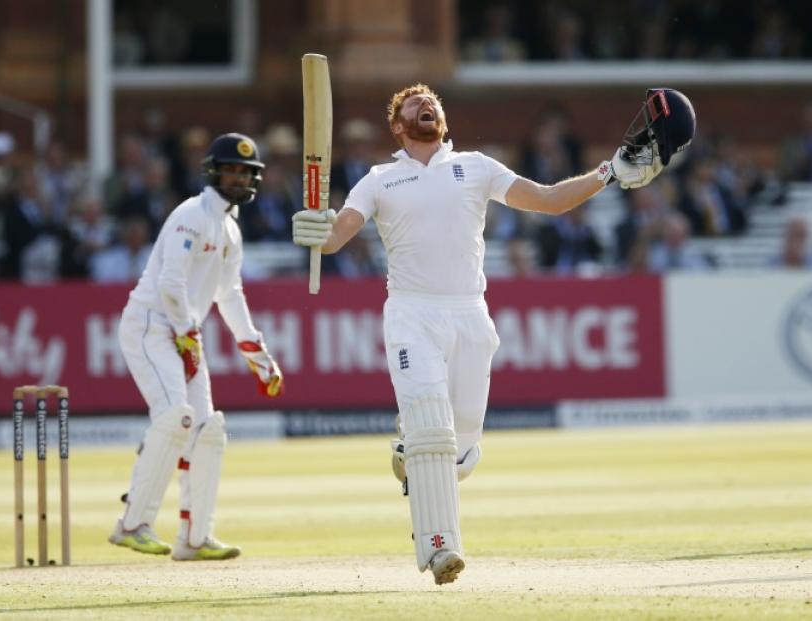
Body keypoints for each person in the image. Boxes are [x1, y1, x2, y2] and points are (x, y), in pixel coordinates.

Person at [292, 84, 690, 585]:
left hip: (470, 318)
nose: (425, 104)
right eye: (413, 103)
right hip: (412, 315)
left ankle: (410, 455)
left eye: (431, 100)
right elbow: (336, 235)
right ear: (397, 126)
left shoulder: (476, 167)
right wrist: (314, 229)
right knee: (431, 426)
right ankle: (440, 549)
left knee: (458, 453)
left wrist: (608, 172)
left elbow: (547, 201)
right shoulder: (378, 180)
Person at [108, 133, 285, 561]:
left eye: (247, 172)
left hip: (185, 335)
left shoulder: (230, 228)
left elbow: (230, 294)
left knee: (208, 430)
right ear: (214, 172)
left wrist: (258, 355)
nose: (240, 177)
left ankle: (195, 537)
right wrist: (187, 332)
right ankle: (132, 524)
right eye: (232, 170)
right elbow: (171, 283)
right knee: (175, 417)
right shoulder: (192, 214)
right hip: (151, 326)